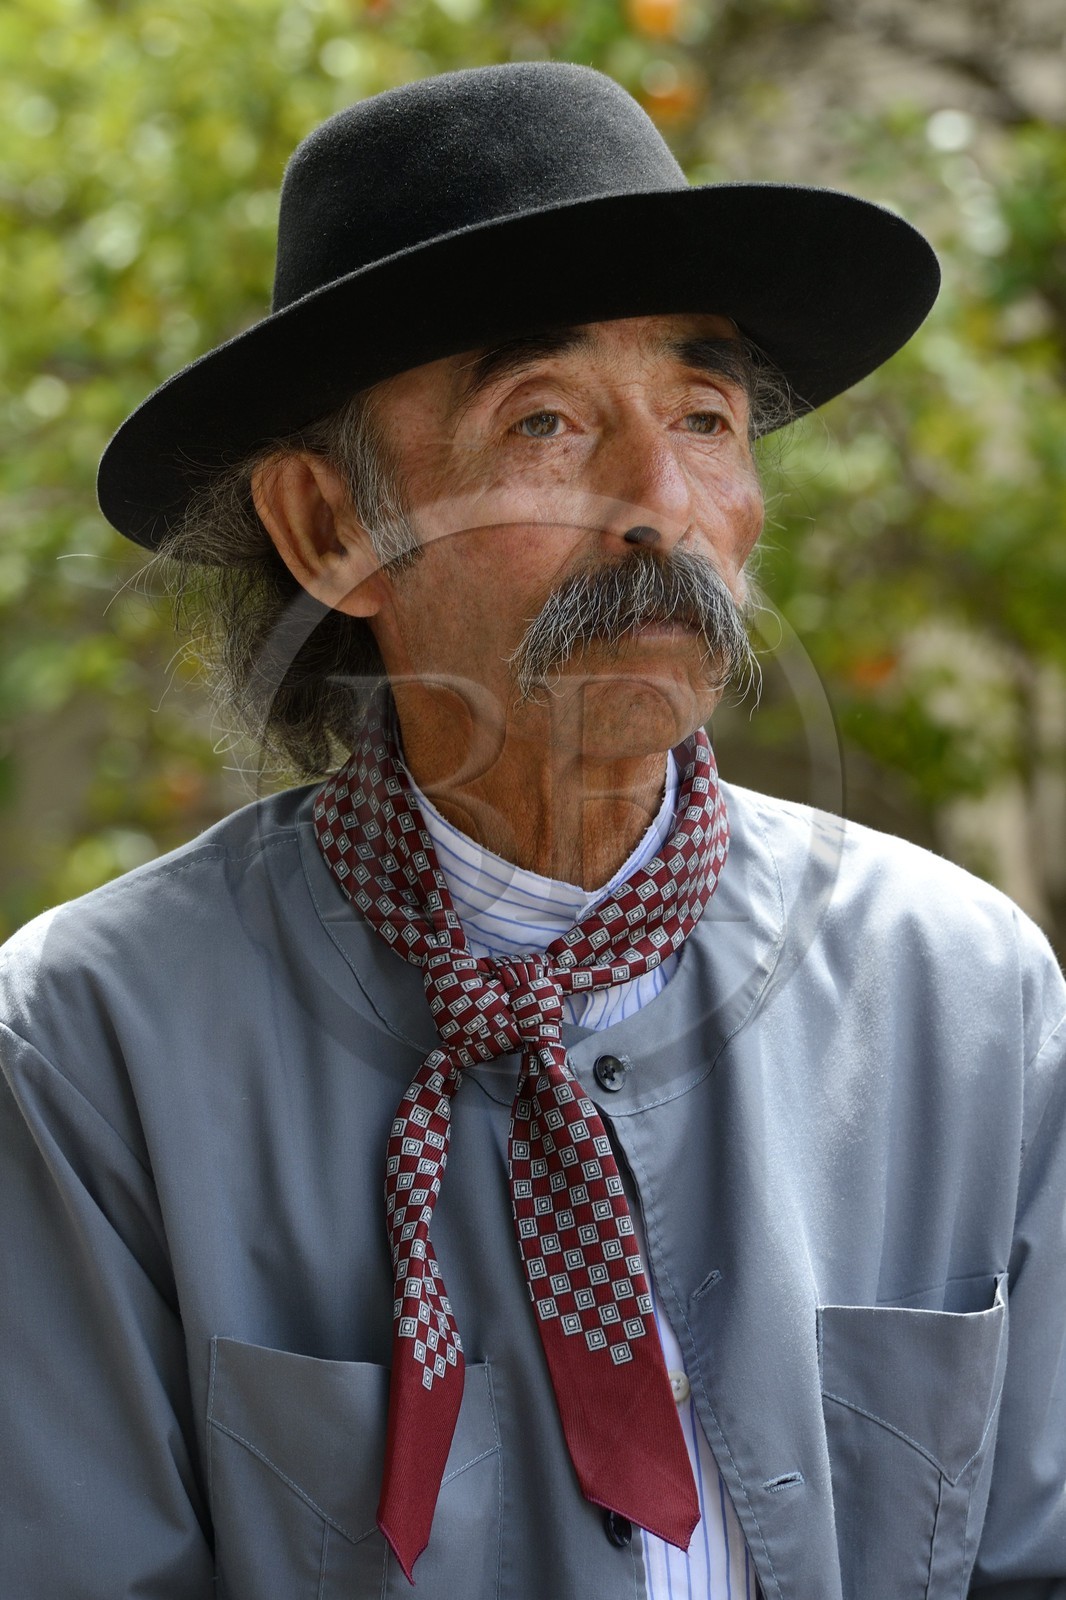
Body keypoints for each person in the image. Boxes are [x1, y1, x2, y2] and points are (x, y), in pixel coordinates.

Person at [1, 60, 1063, 1600]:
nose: (659, 502)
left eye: (703, 416)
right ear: (330, 528)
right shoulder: (92, 1050)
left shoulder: (967, 998)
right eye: (547, 421)